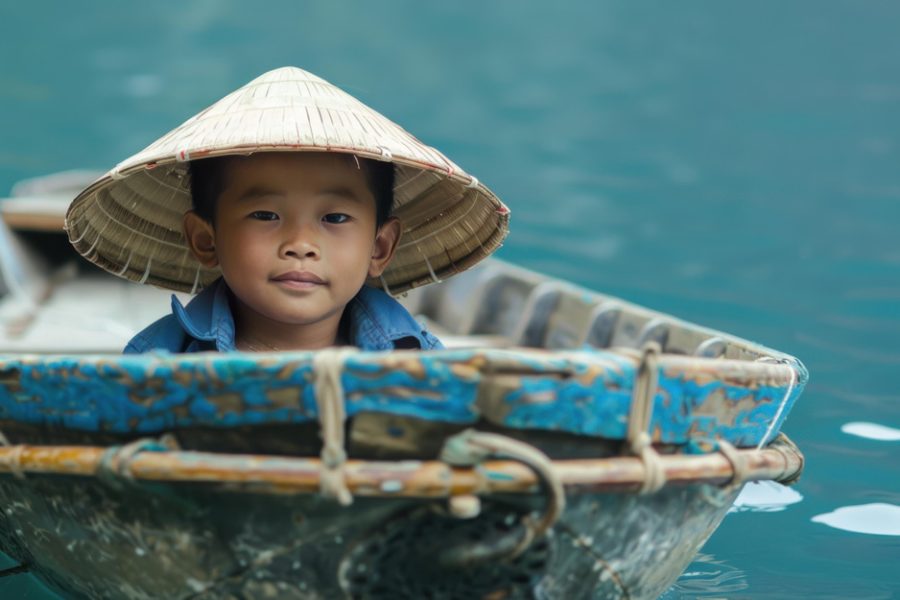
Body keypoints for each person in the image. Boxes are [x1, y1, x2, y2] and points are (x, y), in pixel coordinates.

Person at [65, 66, 509, 353]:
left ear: (379, 247)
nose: (300, 245)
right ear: (206, 239)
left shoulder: (418, 359)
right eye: (265, 216)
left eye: (334, 218)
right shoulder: (158, 361)